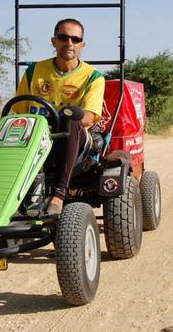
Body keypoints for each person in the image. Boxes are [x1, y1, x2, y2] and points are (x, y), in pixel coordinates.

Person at [13, 18, 105, 215]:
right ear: (54, 41)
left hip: (75, 140)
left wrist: (60, 122)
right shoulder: (34, 71)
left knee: (70, 119)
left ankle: (58, 194)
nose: (69, 43)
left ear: (82, 44)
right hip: (36, 138)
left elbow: (88, 117)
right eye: (63, 37)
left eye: (75, 39)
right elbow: (20, 110)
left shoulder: (93, 76)